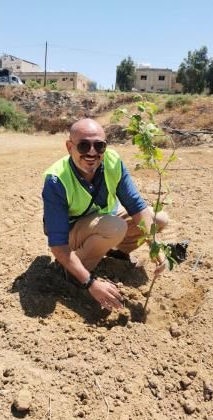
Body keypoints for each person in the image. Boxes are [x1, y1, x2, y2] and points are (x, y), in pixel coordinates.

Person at [42, 118, 168, 310]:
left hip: (103, 219)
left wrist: (153, 245)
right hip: (71, 234)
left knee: (157, 218)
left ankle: (117, 253)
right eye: (83, 145)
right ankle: (74, 272)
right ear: (69, 147)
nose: (92, 152)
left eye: (99, 146)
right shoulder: (56, 180)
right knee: (114, 227)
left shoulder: (113, 162)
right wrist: (91, 283)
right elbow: (58, 245)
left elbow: (136, 205)